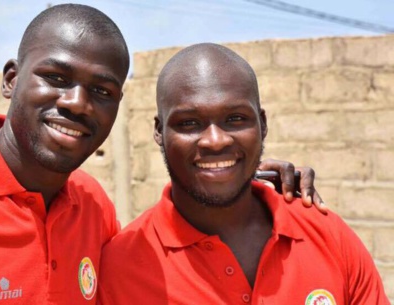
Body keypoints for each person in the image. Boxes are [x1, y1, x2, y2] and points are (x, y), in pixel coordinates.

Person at [0, 5, 325, 305]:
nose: (77, 103)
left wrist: (234, 184)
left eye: (102, 90)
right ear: (11, 79)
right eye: (57, 79)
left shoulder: (90, 205)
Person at [98, 43, 388, 305]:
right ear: (160, 132)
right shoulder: (120, 266)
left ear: (262, 124)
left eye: (235, 119)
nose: (216, 140)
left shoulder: (326, 234)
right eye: (189, 123)